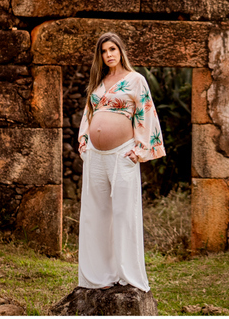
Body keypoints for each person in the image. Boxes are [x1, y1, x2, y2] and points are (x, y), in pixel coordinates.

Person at [77, 32, 165, 292]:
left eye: (112, 49)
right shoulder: (98, 82)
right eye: (104, 51)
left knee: (124, 213)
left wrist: (140, 150)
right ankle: (98, 276)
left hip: (123, 154)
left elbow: (146, 113)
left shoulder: (136, 80)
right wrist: (84, 141)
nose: (109, 55)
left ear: (120, 51)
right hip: (95, 155)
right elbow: (89, 113)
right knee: (95, 214)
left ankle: (128, 275)